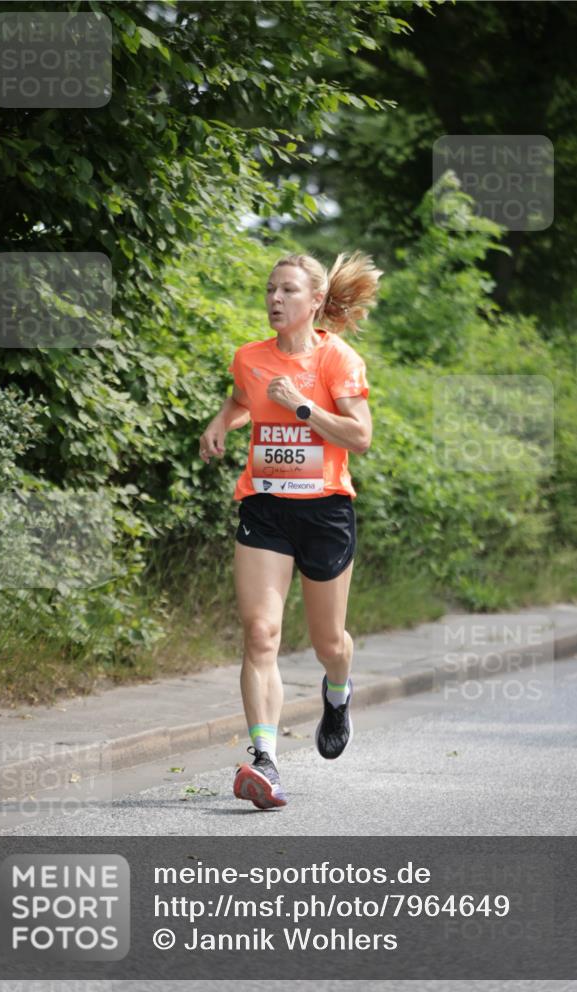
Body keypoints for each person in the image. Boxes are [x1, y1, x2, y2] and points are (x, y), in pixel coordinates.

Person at [199, 250, 382, 809]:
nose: (275, 300)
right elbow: (242, 399)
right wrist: (220, 422)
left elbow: (359, 436)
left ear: (316, 302)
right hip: (266, 508)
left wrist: (302, 408)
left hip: (325, 511)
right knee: (260, 635)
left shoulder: (337, 360)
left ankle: (338, 690)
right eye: (270, 290)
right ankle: (265, 762)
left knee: (330, 643)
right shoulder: (250, 358)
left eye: (288, 291)